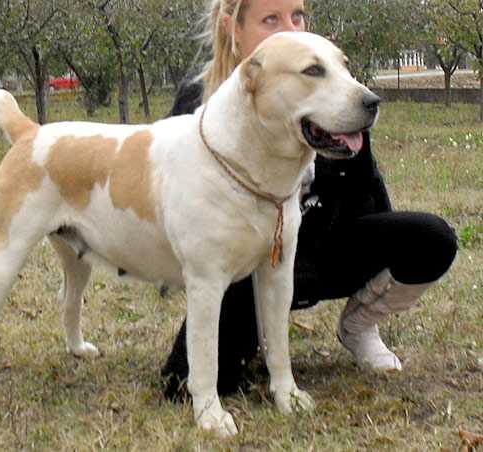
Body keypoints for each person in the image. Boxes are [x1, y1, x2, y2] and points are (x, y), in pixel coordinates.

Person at [161, 0, 458, 400]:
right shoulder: (200, 103)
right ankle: (253, 337)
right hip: (243, 269)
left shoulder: (335, 93)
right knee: (183, 386)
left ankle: (358, 326)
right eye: (271, 20)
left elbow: (365, 190)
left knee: (432, 238)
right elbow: (169, 208)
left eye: (297, 16)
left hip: (322, 249)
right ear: (234, 30)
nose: (292, 30)